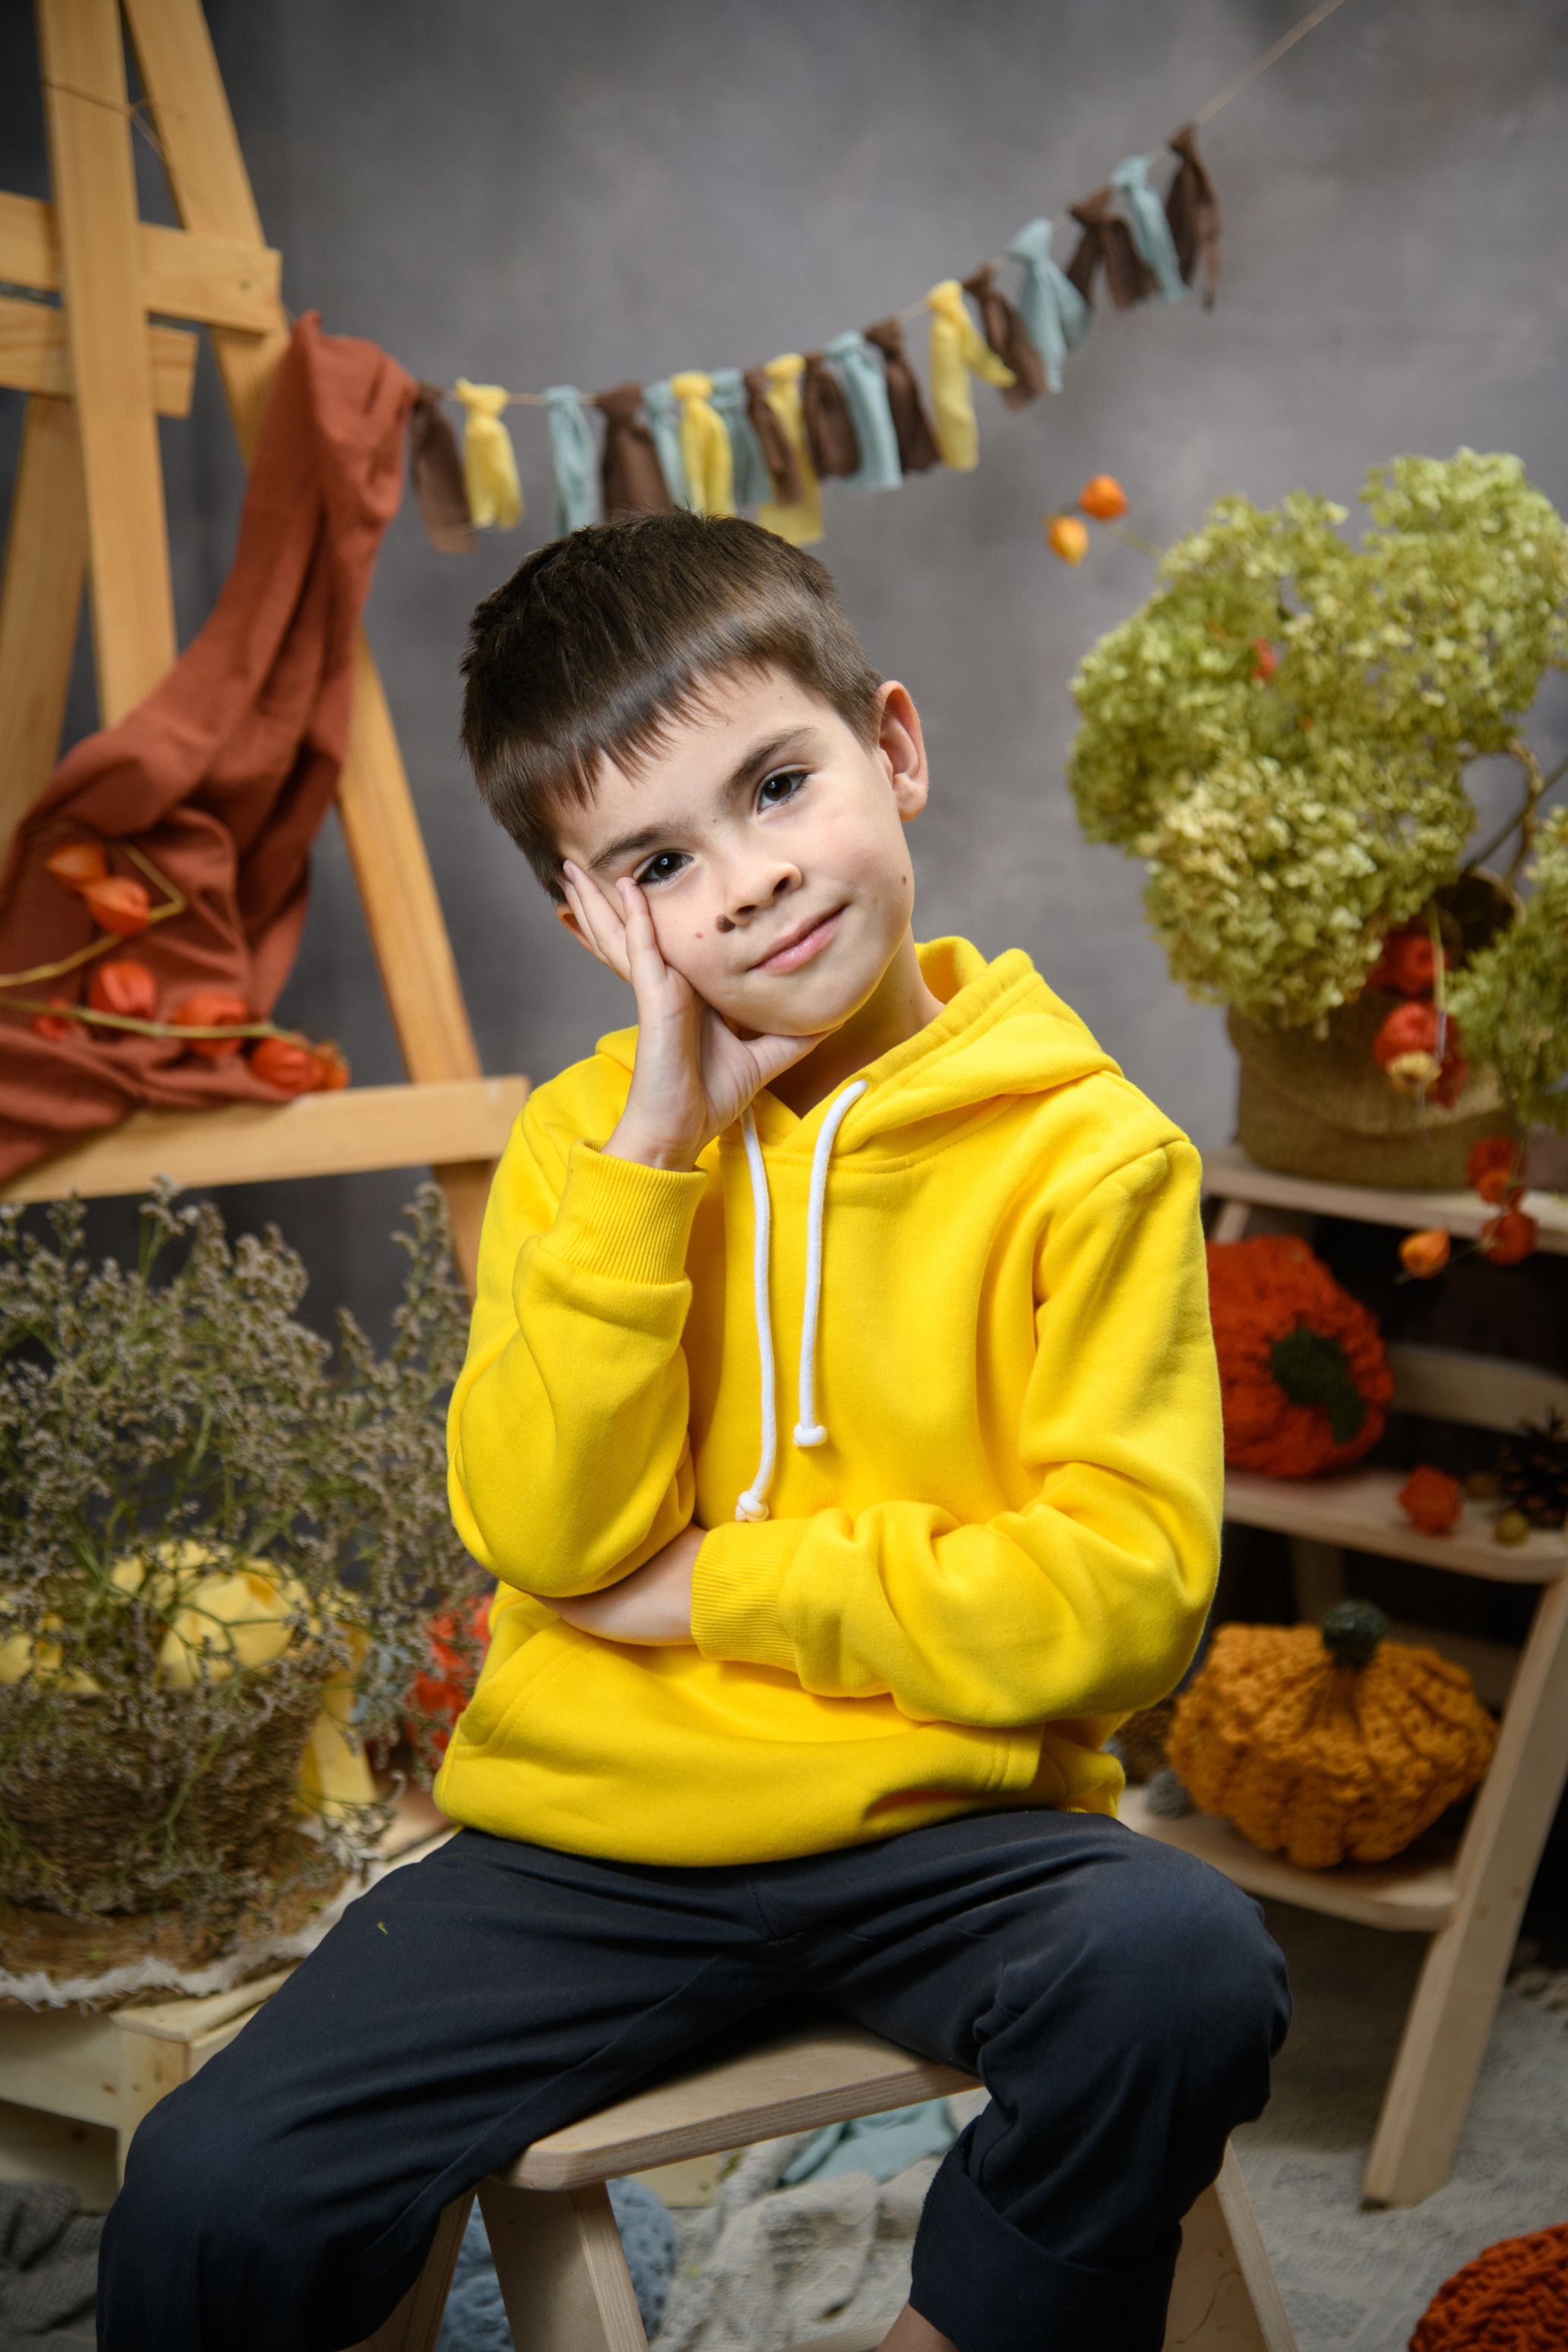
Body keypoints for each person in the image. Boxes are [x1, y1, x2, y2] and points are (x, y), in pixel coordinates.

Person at [98, 513, 1288, 2352]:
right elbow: (543, 1535)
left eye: (779, 786)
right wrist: (659, 1158)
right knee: (209, 2189)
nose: (747, 882)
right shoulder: (593, 1148)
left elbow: (1127, 1604)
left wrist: (724, 1590)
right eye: (659, 858)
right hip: (586, 1850)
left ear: (891, 747)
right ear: (592, 917)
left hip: (948, 1832)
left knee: (1184, 1969)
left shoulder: (1088, 1153)